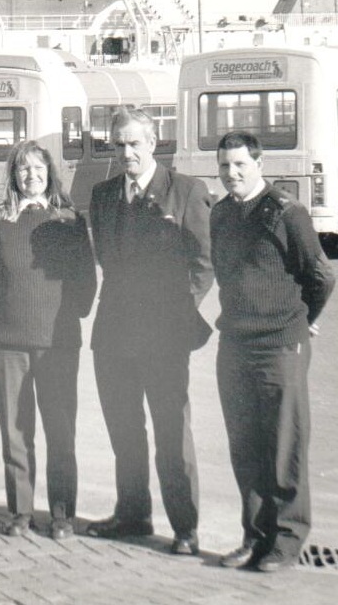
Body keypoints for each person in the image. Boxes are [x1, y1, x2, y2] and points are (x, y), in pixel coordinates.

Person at [87, 107, 214, 556]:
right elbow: (106, 258)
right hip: (114, 335)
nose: (127, 153)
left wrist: (178, 312)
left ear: (153, 142)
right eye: (119, 145)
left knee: (171, 434)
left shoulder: (186, 191)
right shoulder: (102, 197)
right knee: (124, 430)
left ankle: (185, 527)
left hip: (163, 336)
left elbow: (203, 264)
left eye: (134, 144)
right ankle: (133, 513)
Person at [210, 131, 335, 572]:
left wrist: (304, 321)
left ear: (259, 164)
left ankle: (286, 538)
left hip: (281, 345)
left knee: (284, 445)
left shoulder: (287, 212)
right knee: (244, 445)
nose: (232, 174)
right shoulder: (221, 214)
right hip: (235, 344)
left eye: (241, 165)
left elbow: (321, 276)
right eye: (225, 166)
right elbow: (225, 274)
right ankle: (255, 536)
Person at [0, 140, 97, 539]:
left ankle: (63, 514)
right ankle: (20, 511)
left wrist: (66, 319)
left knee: (60, 431)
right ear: (13, 174)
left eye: (38, 168)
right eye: (23, 169)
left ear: (50, 173)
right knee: (16, 431)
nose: (32, 176)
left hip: (58, 343)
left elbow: (86, 281)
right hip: (7, 342)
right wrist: (1, 314)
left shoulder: (68, 219)